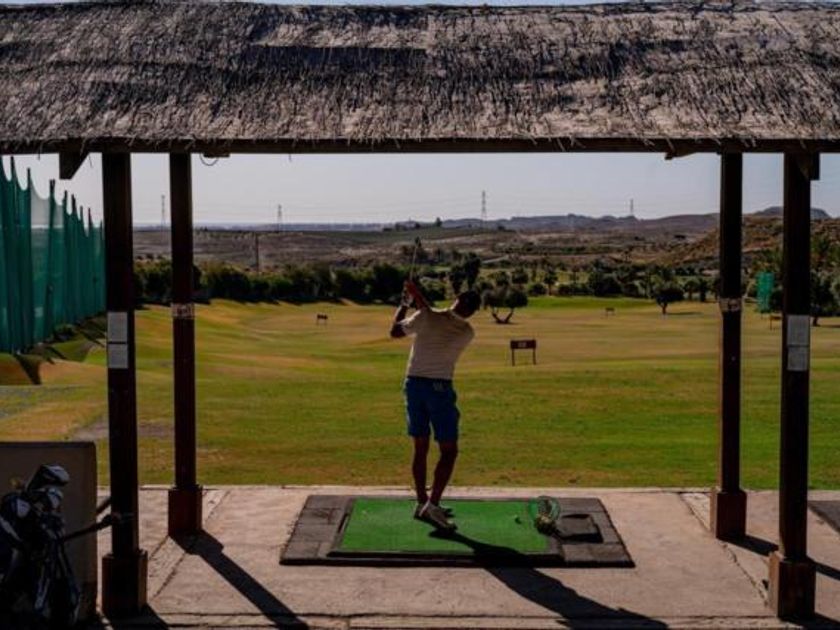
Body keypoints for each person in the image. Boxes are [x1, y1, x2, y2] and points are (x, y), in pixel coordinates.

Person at [390, 279, 481, 530]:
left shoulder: (427, 316)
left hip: (413, 385)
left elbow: (395, 331)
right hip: (439, 389)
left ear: (456, 299)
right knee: (448, 450)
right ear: (472, 312)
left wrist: (404, 304)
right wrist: (417, 297)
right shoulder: (467, 331)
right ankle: (432, 506)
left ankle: (422, 502)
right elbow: (434, 315)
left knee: (420, 447)